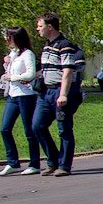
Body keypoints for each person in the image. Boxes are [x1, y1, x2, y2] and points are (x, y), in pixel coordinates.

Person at [32, 12, 84, 177]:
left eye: (40, 26)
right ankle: (52, 159)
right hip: (45, 93)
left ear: (50, 27)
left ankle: (64, 165)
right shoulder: (47, 46)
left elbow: (67, 72)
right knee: (37, 126)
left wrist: (63, 94)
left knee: (64, 129)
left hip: (59, 92)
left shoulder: (65, 45)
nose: (37, 29)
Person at [0, 26, 42, 176]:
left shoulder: (27, 54)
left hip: (26, 95)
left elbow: (30, 74)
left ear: (16, 38)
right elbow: (10, 71)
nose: (6, 40)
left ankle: (34, 163)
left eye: (8, 37)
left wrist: (14, 77)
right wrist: (7, 64)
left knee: (29, 130)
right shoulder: (13, 54)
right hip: (12, 95)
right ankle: (12, 162)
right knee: (5, 128)